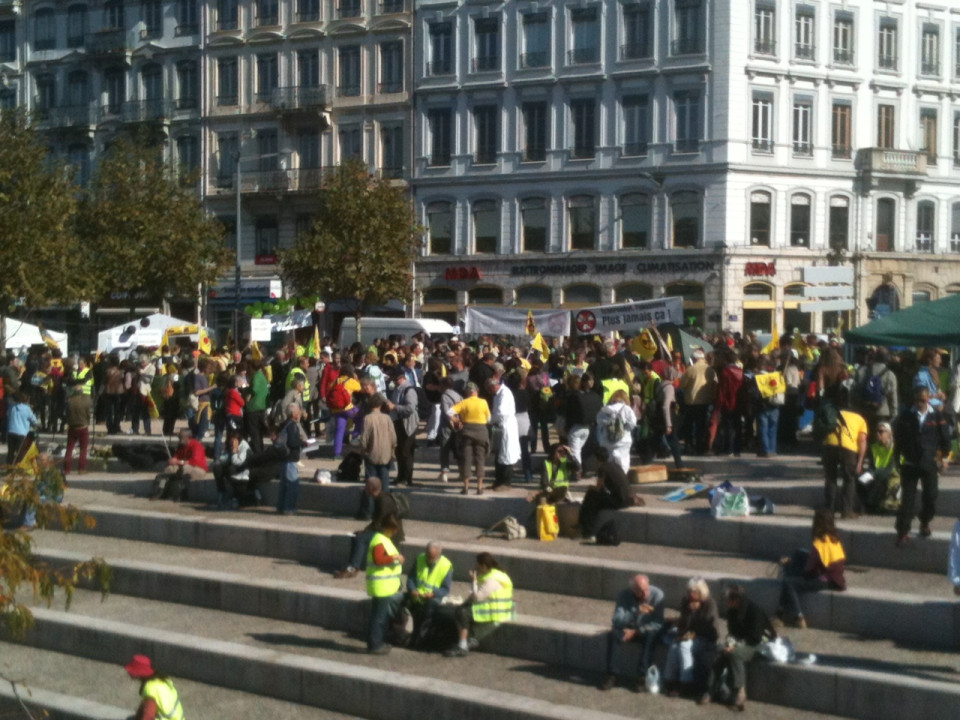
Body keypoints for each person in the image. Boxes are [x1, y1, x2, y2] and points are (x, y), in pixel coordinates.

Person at [894, 386, 952, 546]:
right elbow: (899, 439)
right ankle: (903, 532)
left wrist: (944, 458)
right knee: (907, 500)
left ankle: (924, 521)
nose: (919, 403)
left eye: (922, 400)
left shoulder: (937, 416)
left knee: (931, 496)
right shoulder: (906, 416)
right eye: (917, 400)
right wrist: (896, 459)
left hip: (929, 462)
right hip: (910, 462)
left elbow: (945, 439)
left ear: (928, 399)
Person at [703, 585, 776, 710]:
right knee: (721, 653)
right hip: (742, 642)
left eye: (728, 600)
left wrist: (736, 646)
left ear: (736, 599)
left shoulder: (754, 611)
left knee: (735, 654)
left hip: (759, 644)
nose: (726, 602)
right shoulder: (732, 611)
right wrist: (730, 644)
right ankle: (710, 690)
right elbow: (732, 633)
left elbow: (756, 637)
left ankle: (740, 691)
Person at [778, 508, 846, 629]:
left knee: (789, 583)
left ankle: (798, 616)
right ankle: (781, 610)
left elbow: (809, 570)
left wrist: (790, 565)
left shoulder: (818, 544)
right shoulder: (835, 539)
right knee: (799, 553)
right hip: (837, 577)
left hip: (827, 580)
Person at [599, 574, 665, 691]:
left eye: (646, 589)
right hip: (628, 628)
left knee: (651, 635)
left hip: (645, 630)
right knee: (613, 634)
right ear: (633, 591)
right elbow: (616, 620)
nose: (645, 594)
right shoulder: (624, 595)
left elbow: (658, 623)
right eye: (640, 591)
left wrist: (637, 631)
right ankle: (612, 674)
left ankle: (642, 676)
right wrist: (635, 612)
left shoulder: (657, 595)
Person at [444, 552, 514, 658]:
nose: (476, 567)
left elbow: (477, 597)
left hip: (496, 611)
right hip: (494, 607)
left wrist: (474, 581)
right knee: (461, 608)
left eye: (478, 565)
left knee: (462, 613)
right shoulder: (492, 574)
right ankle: (468, 640)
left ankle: (462, 646)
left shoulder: (492, 580)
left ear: (484, 566)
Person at [335, 476, 405, 578]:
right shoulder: (381, 497)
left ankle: (353, 568)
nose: (364, 489)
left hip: (391, 533)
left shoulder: (383, 501)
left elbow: (380, 524)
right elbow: (378, 522)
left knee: (361, 538)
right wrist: (365, 530)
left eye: (366, 487)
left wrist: (365, 532)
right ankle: (353, 565)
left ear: (371, 489)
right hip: (385, 529)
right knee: (358, 536)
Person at [663, 577, 719, 698]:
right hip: (688, 635)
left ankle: (686, 683)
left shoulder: (710, 604)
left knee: (684, 646)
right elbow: (683, 624)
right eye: (689, 591)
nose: (690, 594)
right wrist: (689, 612)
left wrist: (695, 613)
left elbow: (709, 628)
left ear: (701, 592)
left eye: (693, 592)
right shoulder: (686, 601)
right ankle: (670, 680)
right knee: (674, 646)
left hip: (705, 638)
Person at [366, 514, 405, 654]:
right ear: (389, 528)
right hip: (381, 586)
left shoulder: (383, 539)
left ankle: (377, 642)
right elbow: (378, 559)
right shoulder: (380, 541)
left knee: (379, 616)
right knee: (379, 617)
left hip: (383, 586)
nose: (396, 532)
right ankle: (375, 645)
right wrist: (395, 557)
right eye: (394, 529)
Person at [821, 406, 869, 519]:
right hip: (848, 449)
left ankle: (829, 510)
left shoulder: (835, 414)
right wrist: (860, 462)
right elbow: (862, 440)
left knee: (830, 477)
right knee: (849, 479)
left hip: (830, 445)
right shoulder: (860, 419)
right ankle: (847, 511)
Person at [579, 447, 634, 542]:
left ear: (596, 458)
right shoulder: (614, 465)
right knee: (594, 499)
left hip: (619, 502)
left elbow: (598, 488)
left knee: (591, 498)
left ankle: (588, 531)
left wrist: (590, 487)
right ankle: (583, 525)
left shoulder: (602, 468)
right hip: (628, 499)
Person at [405, 541, 453, 646]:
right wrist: (412, 589)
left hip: (433, 598)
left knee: (428, 609)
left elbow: (445, 589)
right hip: (417, 595)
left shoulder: (446, 565)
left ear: (438, 555)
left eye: (431, 557)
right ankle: (405, 637)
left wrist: (433, 594)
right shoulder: (420, 558)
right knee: (399, 602)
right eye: (427, 555)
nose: (428, 559)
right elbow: (411, 578)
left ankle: (421, 641)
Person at [447, 382, 491, 495]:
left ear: (467, 392)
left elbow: (449, 412)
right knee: (480, 459)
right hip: (481, 432)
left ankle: (466, 487)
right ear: (477, 391)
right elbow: (489, 419)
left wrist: (457, 421)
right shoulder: (483, 402)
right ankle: (479, 487)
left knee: (466, 459)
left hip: (467, 432)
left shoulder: (464, 402)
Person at [358, 392, 396, 515]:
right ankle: (385, 511)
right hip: (385, 454)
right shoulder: (387, 418)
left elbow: (364, 437)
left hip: (371, 454)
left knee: (370, 483)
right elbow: (393, 438)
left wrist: (363, 449)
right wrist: (392, 451)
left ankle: (368, 511)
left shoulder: (368, 418)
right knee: (384, 484)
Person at [679, 349, 717, 455]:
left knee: (689, 425)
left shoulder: (691, 369)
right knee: (702, 426)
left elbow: (682, 385)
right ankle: (701, 447)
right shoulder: (710, 370)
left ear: (694, 358)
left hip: (691, 402)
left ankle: (689, 446)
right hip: (706, 401)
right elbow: (715, 384)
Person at [153, 429, 209, 501]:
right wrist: (172, 461)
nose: (179, 438)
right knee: (169, 469)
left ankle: (182, 493)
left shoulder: (196, 445)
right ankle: (160, 490)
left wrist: (179, 462)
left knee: (186, 468)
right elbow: (176, 457)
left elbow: (194, 461)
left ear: (187, 437)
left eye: (180, 436)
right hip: (183, 467)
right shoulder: (181, 446)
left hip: (199, 469)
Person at [124, 654, 184, 720]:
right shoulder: (160, 681)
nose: (128, 671)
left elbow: (148, 716)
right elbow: (144, 706)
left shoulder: (150, 688)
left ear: (139, 672)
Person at [387, 368, 419, 487]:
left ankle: (407, 478)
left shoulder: (409, 390)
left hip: (408, 424)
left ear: (401, 378)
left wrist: (395, 407)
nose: (394, 382)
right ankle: (400, 477)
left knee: (406, 452)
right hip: (398, 422)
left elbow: (410, 408)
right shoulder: (397, 389)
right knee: (399, 451)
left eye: (395, 380)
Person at [488, 376, 520, 490]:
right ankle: (498, 481)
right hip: (499, 427)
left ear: (493, 386)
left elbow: (500, 413)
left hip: (506, 426)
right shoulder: (498, 394)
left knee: (506, 454)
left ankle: (506, 482)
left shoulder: (504, 393)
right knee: (498, 454)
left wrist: (490, 420)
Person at [564, 373, 603, 466]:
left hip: (576, 427)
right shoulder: (595, 395)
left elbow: (568, 412)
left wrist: (567, 426)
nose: (592, 382)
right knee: (579, 450)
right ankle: (581, 467)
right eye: (590, 380)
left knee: (575, 451)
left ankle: (577, 469)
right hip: (588, 427)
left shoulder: (574, 396)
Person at [596, 389, 637, 473]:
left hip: (607, 440)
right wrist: (624, 426)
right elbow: (632, 423)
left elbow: (599, 421)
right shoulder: (626, 409)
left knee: (609, 462)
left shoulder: (605, 409)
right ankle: (621, 477)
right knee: (623, 462)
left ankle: (610, 477)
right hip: (623, 440)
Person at [275, 403, 304, 515]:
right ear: (294, 413)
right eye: (299, 411)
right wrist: (303, 443)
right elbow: (292, 442)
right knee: (292, 485)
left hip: (284, 458)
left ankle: (281, 507)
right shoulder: (292, 425)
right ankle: (289, 508)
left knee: (284, 485)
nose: (300, 413)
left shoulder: (285, 424)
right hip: (290, 458)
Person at [213, 432, 252, 509]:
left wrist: (234, 450)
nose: (231, 442)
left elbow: (237, 462)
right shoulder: (230, 444)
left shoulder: (244, 447)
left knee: (230, 470)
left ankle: (235, 497)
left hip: (242, 468)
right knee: (217, 468)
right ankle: (222, 491)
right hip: (231, 464)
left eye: (233, 441)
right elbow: (224, 457)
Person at [63, 385, 92, 475]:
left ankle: (67, 469)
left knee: (69, 449)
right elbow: (88, 414)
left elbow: (67, 414)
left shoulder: (69, 401)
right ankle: (81, 468)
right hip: (83, 426)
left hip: (72, 427)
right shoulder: (85, 402)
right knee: (83, 449)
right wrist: (87, 421)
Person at [6, 391, 38, 465]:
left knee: (10, 451)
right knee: (20, 452)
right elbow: (34, 420)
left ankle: (9, 465)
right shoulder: (27, 409)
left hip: (11, 431)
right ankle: (18, 466)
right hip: (21, 433)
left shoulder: (12, 407)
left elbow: (8, 414)